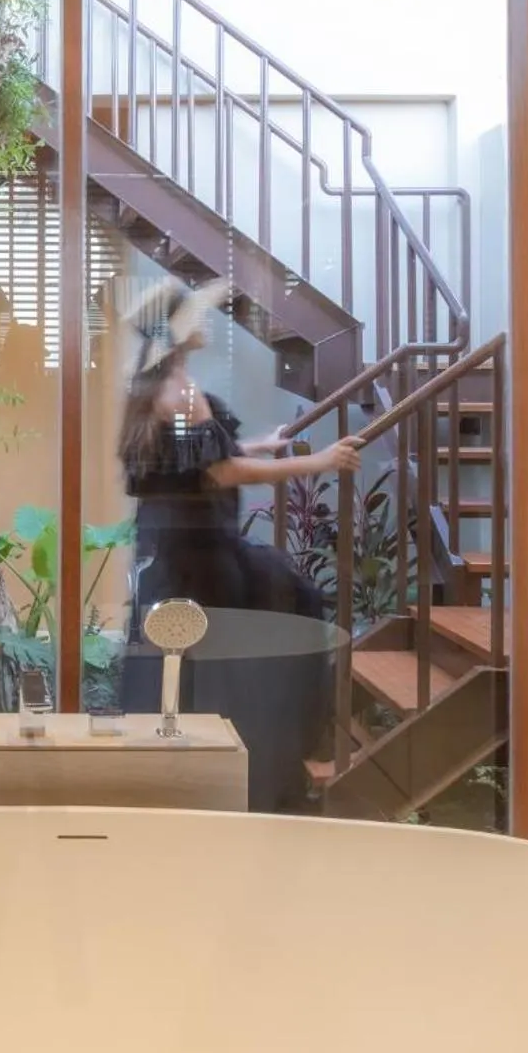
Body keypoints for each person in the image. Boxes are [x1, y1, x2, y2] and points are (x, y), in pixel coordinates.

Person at [115, 279, 361, 808]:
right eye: (196, 315)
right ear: (179, 332)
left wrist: (263, 445)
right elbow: (221, 472)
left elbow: (196, 460)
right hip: (198, 555)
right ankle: (254, 767)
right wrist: (319, 462)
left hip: (170, 546)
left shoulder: (154, 385)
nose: (206, 322)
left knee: (191, 656)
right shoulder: (180, 391)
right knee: (289, 611)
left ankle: (190, 776)